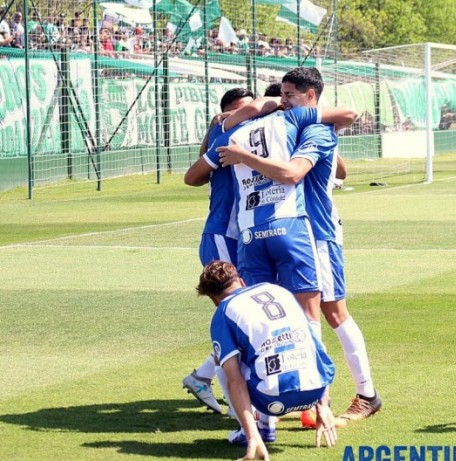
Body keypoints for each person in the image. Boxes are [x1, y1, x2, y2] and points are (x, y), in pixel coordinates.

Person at [218, 67, 382, 423]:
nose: (283, 100)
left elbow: (299, 171)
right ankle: (300, 397)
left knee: (332, 311)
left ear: (310, 98)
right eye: (281, 94)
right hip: (286, 233)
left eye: (290, 94)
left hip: (318, 233)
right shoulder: (290, 127)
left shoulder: (316, 130)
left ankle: (364, 394)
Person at [196, 260, 338, 460]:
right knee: (302, 342)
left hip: (271, 400)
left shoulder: (224, 311)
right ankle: (268, 426)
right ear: (241, 282)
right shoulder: (279, 291)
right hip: (314, 392)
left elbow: (235, 380)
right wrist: (323, 406)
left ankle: (254, 431)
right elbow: (317, 348)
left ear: (213, 299)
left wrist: (252, 435)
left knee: (225, 362)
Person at [182, 88, 256, 415]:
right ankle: (242, 410)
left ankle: (203, 376)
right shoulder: (227, 136)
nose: (248, 113)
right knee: (237, 317)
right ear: (225, 114)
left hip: (237, 236)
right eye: (240, 109)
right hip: (223, 235)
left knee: (244, 316)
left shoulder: (244, 136)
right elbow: (193, 176)